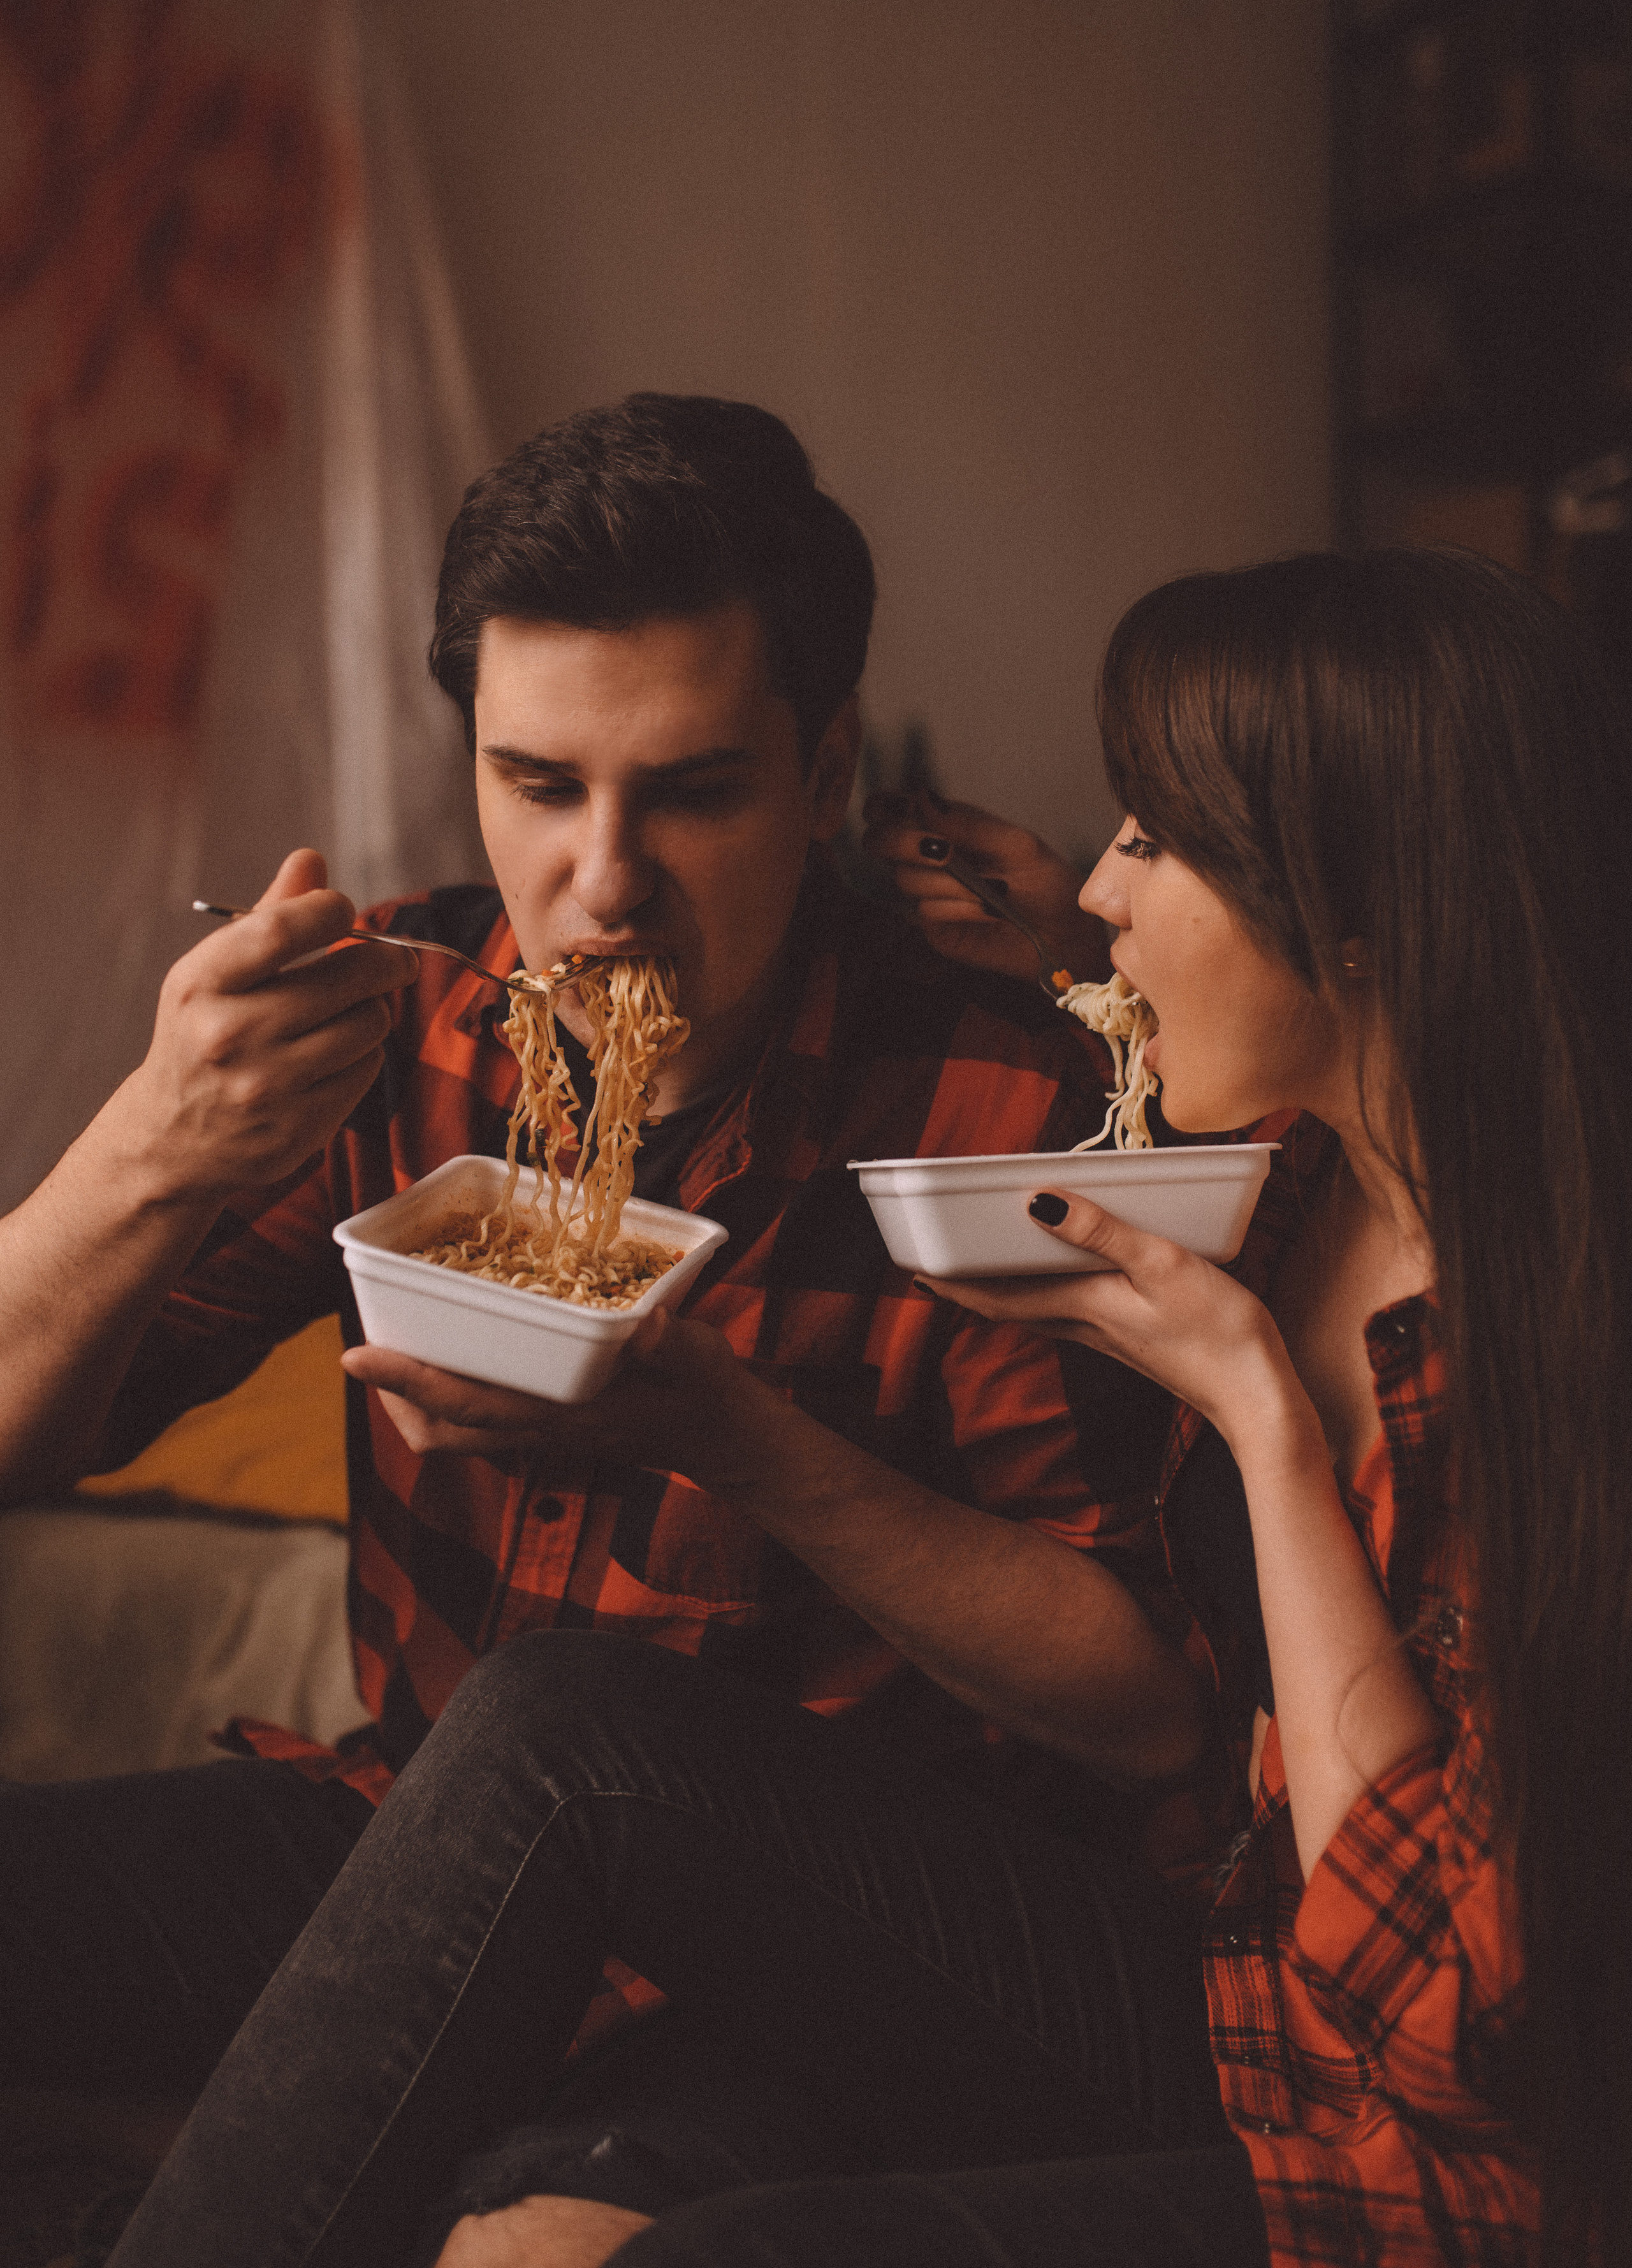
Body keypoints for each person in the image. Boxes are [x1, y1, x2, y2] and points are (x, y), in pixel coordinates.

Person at [101, 544, 1632, 2268]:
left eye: (1156, 839)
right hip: (1207, 1970)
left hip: (1391, 2111)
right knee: (549, 1726)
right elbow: (1266, 1018)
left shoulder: (1529, 1345)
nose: (1101, 886)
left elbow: (1426, 2031)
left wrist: (1260, 1418)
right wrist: (152, 1141)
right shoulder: (1283, 1172)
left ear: (1356, 912)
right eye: (536, 782)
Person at [0, 396, 1169, 2173]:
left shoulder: (997, 1099)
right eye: (539, 786)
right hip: (407, 1839)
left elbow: (1144, 1707)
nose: (603, 885)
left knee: (546, 2241)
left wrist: (744, 1442)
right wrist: (148, 1150)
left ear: (825, 776)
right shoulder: (392, 1027)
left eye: (693, 793)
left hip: (792, 1954)